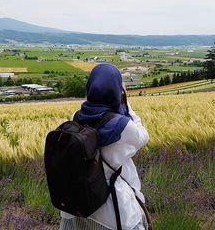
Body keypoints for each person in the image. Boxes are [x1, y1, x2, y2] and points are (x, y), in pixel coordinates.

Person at [60, 64, 151, 230]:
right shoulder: (123, 126)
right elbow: (143, 137)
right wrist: (126, 103)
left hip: (77, 207)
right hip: (112, 212)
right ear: (117, 91)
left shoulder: (76, 117)